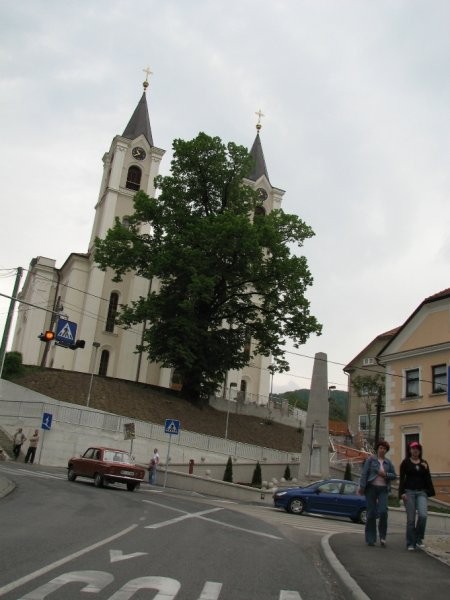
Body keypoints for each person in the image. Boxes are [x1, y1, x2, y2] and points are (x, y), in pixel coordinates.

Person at [359, 440, 397, 547]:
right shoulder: (371, 460)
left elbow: (394, 475)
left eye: (384, 449)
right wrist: (362, 487)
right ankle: (370, 538)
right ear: (377, 449)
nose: (382, 450)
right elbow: (364, 473)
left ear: (386, 450)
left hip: (383, 489)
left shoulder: (388, 463)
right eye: (380, 448)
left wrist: (385, 474)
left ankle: (383, 536)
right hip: (371, 488)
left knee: (383, 511)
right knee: (371, 513)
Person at [398, 441, 435, 551]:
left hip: (421, 492)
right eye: (413, 449)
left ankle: (418, 538)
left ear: (420, 451)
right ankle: (410, 542)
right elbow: (401, 479)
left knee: (423, 515)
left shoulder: (424, 463)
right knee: (411, 519)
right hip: (409, 492)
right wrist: (402, 493)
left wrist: (429, 491)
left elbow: (428, 478)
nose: (415, 450)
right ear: (410, 450)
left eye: (417, 449)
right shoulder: (405, 463)